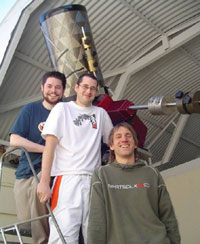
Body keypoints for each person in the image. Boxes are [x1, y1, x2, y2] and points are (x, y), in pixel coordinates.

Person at [37, 73, 113, 244]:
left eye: (93, 88)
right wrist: (44, 181)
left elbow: (113, 143)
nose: (88, 91)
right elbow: (49, 146)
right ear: (77, 88)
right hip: (66, 179)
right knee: (63, 235)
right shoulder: (62, 109)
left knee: (95, 235)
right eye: (85, 87)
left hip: (94, 181)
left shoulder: (101, 114)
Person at [87, 122, 181, 244]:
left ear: (135, 144)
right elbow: (96, 219)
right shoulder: (101, 174)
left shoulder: (152, 173)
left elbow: (168, 216)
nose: (124, 139)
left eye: (128, 135)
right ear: (111, 146)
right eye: (118, 137)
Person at [9, 71, 66, 244]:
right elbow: (14, 139)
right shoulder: (31, 109)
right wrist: (46, 149)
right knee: (27, 219)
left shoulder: (67, 112)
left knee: (40, 185)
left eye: (58, 87)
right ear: (42, 88)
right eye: (49, 86)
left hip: (53, 170)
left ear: (63, 91)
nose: (53, 91)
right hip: (26, 171)